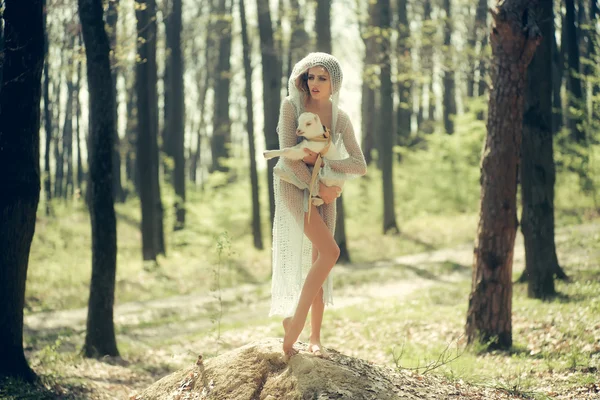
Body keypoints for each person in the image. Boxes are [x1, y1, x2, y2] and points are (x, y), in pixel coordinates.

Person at [269, 52, 367, 360]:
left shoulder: (340, 118)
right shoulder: (291, 107)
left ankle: (314, 338)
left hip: (325, 193)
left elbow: (359, 164)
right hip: (293, 186)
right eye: (310, 77)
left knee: (320, 260)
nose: (314, 83)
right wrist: (317, 182)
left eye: (322, 78)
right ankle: (294, 325)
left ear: (333, 83)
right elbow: (288, 156)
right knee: (331, 252)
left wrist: (328, 182)